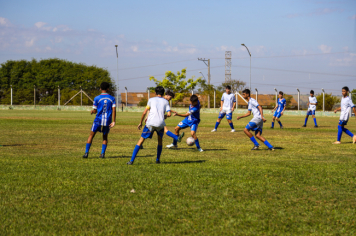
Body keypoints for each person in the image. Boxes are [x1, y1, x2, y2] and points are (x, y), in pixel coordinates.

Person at [127, 87, 183, 165]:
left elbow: (144, 112)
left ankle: (131, 161)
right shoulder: (166, 102)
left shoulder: (151, 100)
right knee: (160, 141)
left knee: (141, 141)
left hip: (150, 123)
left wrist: (140, 122)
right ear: (164, 93)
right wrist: (163, 116)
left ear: (155, 93)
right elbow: (169, 114)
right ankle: (157, 160)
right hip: (160, 124)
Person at [83, 82, 116, 158]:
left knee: (91, 135)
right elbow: (114, 110)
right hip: (107, 120)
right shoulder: (112, 98)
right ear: (108, 89)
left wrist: (92, 111)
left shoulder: (96, 98)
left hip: (98, 119)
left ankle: (86, 153)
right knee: (105, 137)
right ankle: (102, 154)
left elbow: (95, 110)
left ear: (100, 88)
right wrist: (113, 121)